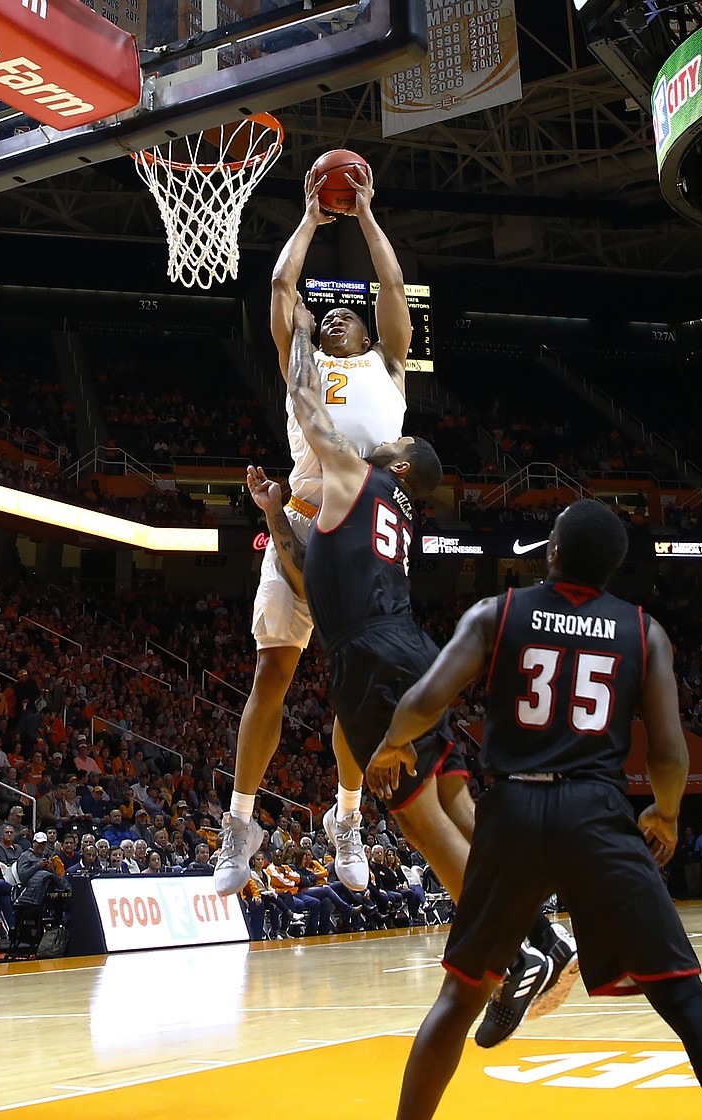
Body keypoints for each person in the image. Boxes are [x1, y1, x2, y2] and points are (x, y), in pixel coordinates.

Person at [255, 297, 575, 1040]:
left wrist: (298, 334)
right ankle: (545, 935)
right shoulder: (386, 512)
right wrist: (274, 513)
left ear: (399, 462)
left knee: (427, 826)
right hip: (403, 647)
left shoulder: (353, 477)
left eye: (393, 440)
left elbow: (304, 400)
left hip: (370, 658)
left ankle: (512, 951)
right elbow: (308, 576)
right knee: (463, 809)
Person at [365, 499, 702, 1115]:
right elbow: (669, 750)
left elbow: (427, 696)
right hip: (597, 813)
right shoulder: (642, 630)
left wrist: (392, 744)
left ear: (551, 552)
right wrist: (666, 812)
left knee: (459, 997)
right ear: (613, 569)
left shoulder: (498, 613)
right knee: (685, 996)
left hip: (515, 808)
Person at [216, 163, 412, 897]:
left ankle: (348, 818)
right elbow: (280, 292)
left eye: (344, 315)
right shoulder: (303, 365)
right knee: (273, 671)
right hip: (302, 522)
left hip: (369, 536)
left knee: (355, 688)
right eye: (324, 315)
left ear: (366, 331)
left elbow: (391, 288)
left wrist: (363, 214)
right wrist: (307, 215)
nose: (333, 317)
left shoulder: (388, 366)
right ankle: (240, 823)